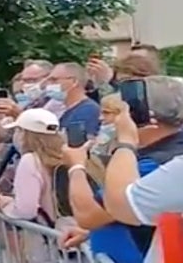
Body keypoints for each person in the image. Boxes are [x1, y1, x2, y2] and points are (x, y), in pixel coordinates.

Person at [61, 76, 183, 262]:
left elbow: (91, 214)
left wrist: (76, 167)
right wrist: (94, 233)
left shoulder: (159, 163)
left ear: (143, 117)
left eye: (119, 113)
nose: (107, 120)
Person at [46, 62, 100, 136]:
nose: (49, 84)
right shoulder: (66, 109)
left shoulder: (87, 110)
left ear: (74, 81)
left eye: (54, 80)